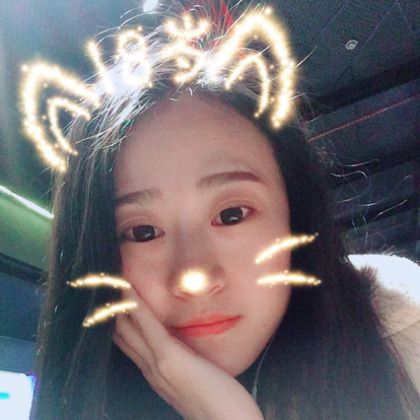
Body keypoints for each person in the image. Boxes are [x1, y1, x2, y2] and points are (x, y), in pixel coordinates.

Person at [27, 1, 420, 419]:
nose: (194, 279)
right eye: (143, 232)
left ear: (294, 212)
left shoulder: (400, 327)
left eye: (232, 214)